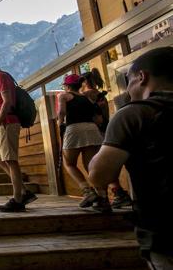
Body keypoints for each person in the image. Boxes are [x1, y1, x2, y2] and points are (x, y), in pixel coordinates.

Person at [89, 47, 173, 269]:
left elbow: (99, 175)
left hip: (164, 232)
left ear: (142, 77)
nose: (128, 89)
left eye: (129, 81)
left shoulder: (134, 114)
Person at [0, 56, 37, 212]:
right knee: (0, 159)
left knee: (10, 160)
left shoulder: (1, 76)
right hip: (4, 123)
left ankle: (18, 199)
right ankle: (24, 191)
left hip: (7, 123)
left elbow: (8, 101)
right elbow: (2, 100)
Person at [57, 73, 110, 212]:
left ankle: (87, 191)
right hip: (92, 129)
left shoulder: (64, 96)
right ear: (80, 85)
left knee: (69, 163)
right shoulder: (88, 98)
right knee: (91, 166)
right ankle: (103, 199)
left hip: (74, 128)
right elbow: (98, 119)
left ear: (67, 86)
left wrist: (60, 123)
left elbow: (61, 112)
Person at [81, 68, 132, 209]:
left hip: (94, 133)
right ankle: (118, 193)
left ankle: (105, 197)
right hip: (105, 131)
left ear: (84, 82)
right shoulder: (100, 95)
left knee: (96, 166)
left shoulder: (86, 95)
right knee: (106, 166)